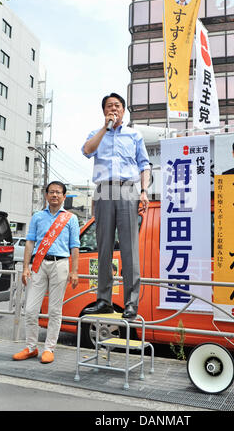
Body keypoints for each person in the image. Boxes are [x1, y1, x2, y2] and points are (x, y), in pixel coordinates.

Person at [81, 92, 150, 320]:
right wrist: (105, 128)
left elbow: (144, 165)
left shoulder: (134, 135)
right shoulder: (96, 134)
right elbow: (87, 150)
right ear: (104, 111)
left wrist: (144, 191)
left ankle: (131, 303)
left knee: (129, 248)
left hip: (127, 188)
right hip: (103, 189)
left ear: (124, 110)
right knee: (103, 247)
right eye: (109, 106)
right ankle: (104, 300)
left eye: (117, 106)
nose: (114, 109)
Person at [13, 181, 80, 364]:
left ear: (64, 196)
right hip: (39, 264)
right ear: (46, 195)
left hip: (61, 264)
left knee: (55, 310)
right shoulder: (37, 217)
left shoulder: (70, 219)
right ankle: (31, 347)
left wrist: (74, 271)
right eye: (51, 192)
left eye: (58, 192)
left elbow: (75, 246)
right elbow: (29, 243)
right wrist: (26, 267)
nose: (55, 195)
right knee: (31, 309)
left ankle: (49, 348)